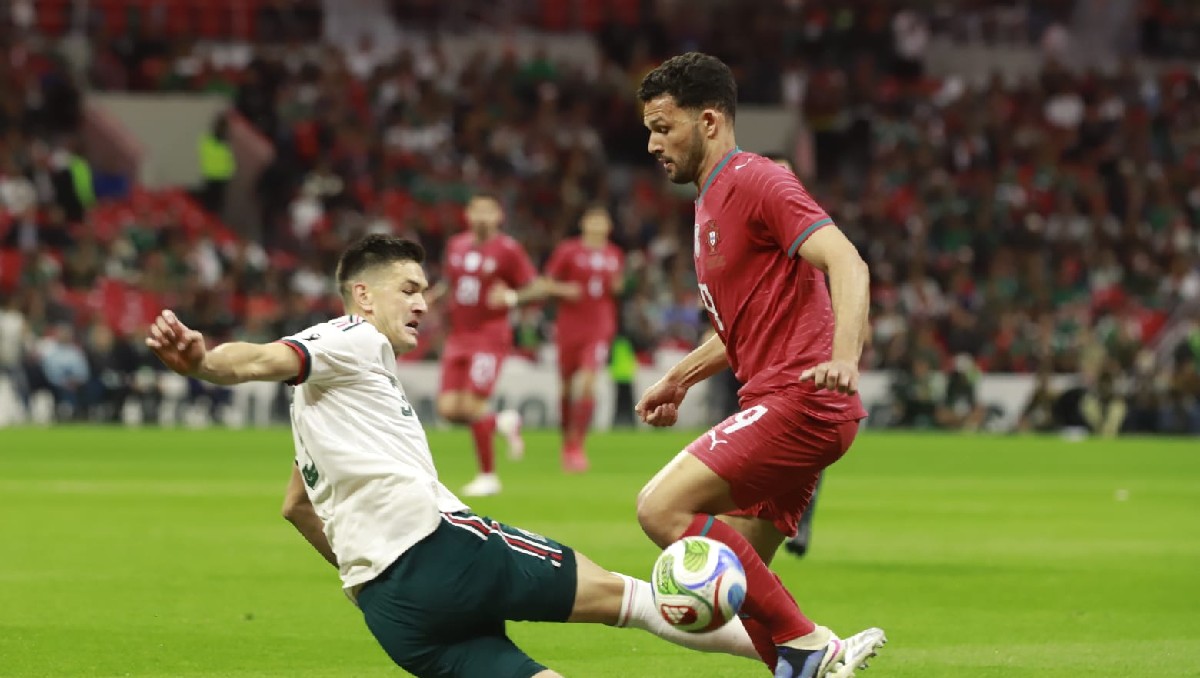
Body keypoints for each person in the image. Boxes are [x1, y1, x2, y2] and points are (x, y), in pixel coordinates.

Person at [144, 234, 761, 678]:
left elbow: (296, 507)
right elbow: (259, 359)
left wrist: (368, 576)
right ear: (363, 295)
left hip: (391, 613)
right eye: (408, 290)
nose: (423, 304)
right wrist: (203, 362)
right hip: (440, 550)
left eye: (425, 292)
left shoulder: (319, 411)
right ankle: (804, 651)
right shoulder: (348, 338)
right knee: (630, 599)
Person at [634, 52, 885, 677]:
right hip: (782, 402)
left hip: (799, 402)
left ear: (710, 121)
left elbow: (848, 262)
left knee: (659, 509)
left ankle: (812, 642)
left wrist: (844, 359)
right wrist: (679, 377)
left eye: (665, 127)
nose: (652, 143)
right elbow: (743, 324)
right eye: (649, 129)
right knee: (742, 592)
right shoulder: (713, 201)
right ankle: (809, 665)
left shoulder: (755, 180)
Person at [431, 193, 575, 497]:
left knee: (472, 406)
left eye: (489, 211)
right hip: (458, 336)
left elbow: (537, 287)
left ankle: (488, 476)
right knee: (447, 410)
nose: (482, 217)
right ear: (468, 214)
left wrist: (511, 298)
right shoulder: (455, 245)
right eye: (477, 210)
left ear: (499, 216)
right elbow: (452, 282)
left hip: (489, 336)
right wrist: (434, 295)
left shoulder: (508, 250)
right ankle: (504, 422)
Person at [544, 204, 625, 472]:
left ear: (608, 227)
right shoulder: (568, 250)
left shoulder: (614, 254)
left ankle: (577, 445)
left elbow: (616, 287)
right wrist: (565, 289)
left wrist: (620, 286)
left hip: (599, 327)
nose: (596, 227)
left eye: (601, 222)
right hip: (569, 327)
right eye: (592, 221)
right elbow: (547, 282)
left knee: (588, 383)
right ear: (583, 224)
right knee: (566, 388)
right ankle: (566, 439)